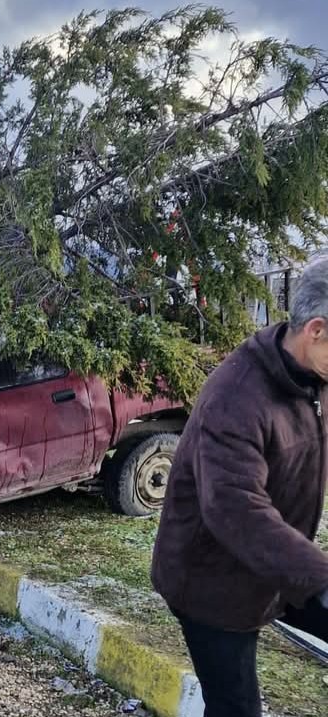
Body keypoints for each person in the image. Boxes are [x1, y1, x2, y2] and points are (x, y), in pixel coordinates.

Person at [152, 259, 328, 717]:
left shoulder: (312, 376)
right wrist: (321, 575)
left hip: (273, 566)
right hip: (211, 581)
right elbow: (236, 509)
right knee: (236, 707)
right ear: (315, 329)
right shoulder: (237, 397)